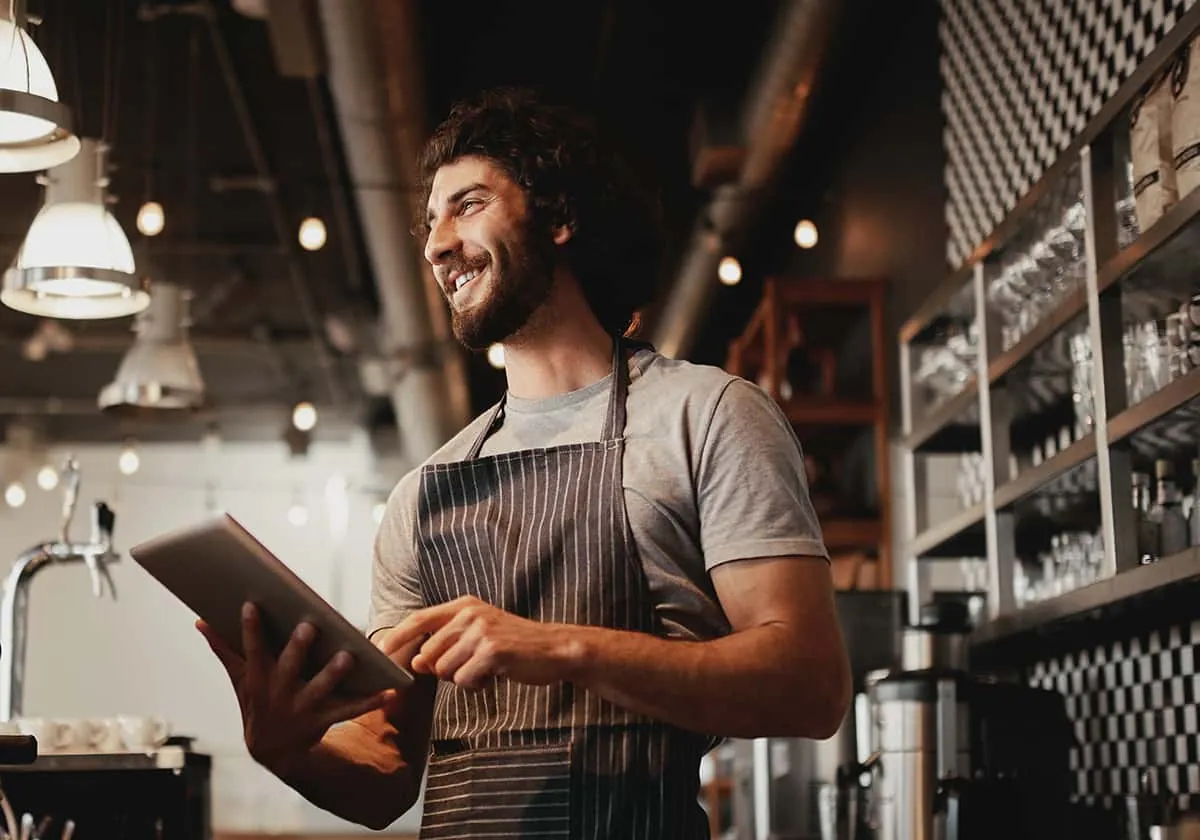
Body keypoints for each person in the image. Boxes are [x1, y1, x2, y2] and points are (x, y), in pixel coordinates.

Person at [199, 87, 851, 838]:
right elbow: (386, 778)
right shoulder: (422, 496)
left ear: (560, 216)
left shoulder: (705, 415)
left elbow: (811, 686)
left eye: (467, 204)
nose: (436, 244)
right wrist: (288, 751)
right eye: (430, 221)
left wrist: (560, 646)